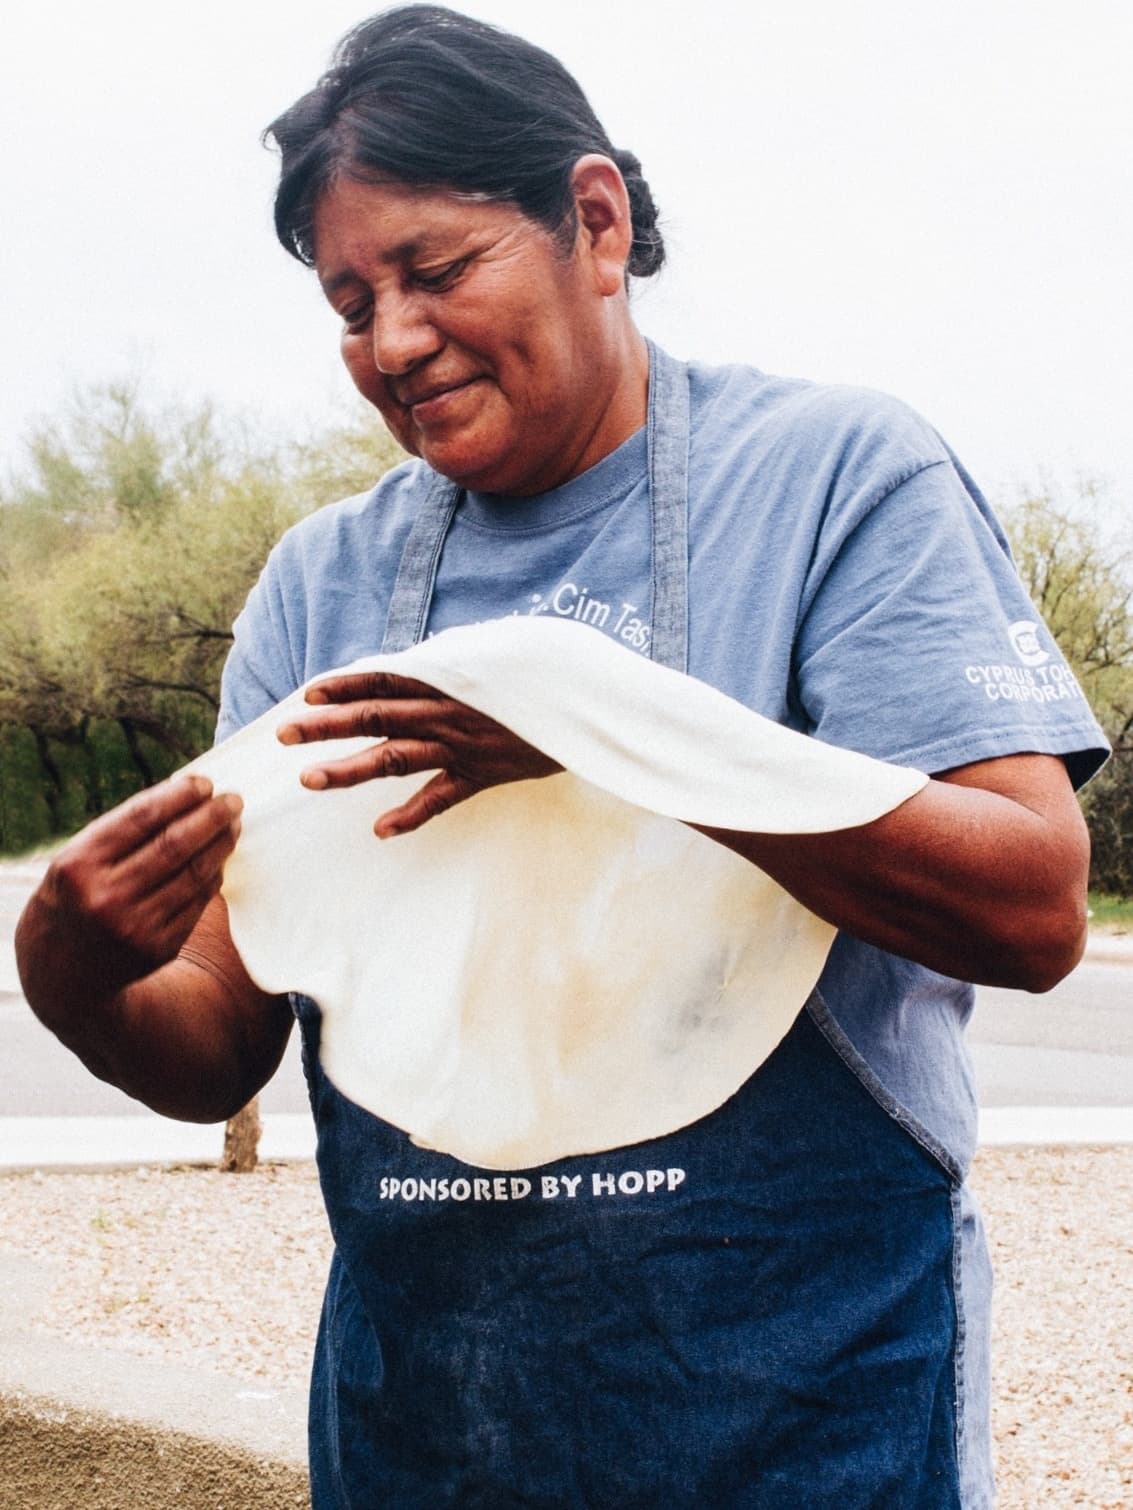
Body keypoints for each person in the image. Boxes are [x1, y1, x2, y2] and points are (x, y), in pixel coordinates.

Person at [17, 6, 1108, 1506]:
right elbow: (218, 1032)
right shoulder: (319, 586)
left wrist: (602, 727)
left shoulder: (835, 478)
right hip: (433, 1422)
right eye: (348, 304)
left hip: (802, 1409)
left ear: (592, 220)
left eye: (436, 271)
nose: (391, 342)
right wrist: (76, 975)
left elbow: (1034, 905)